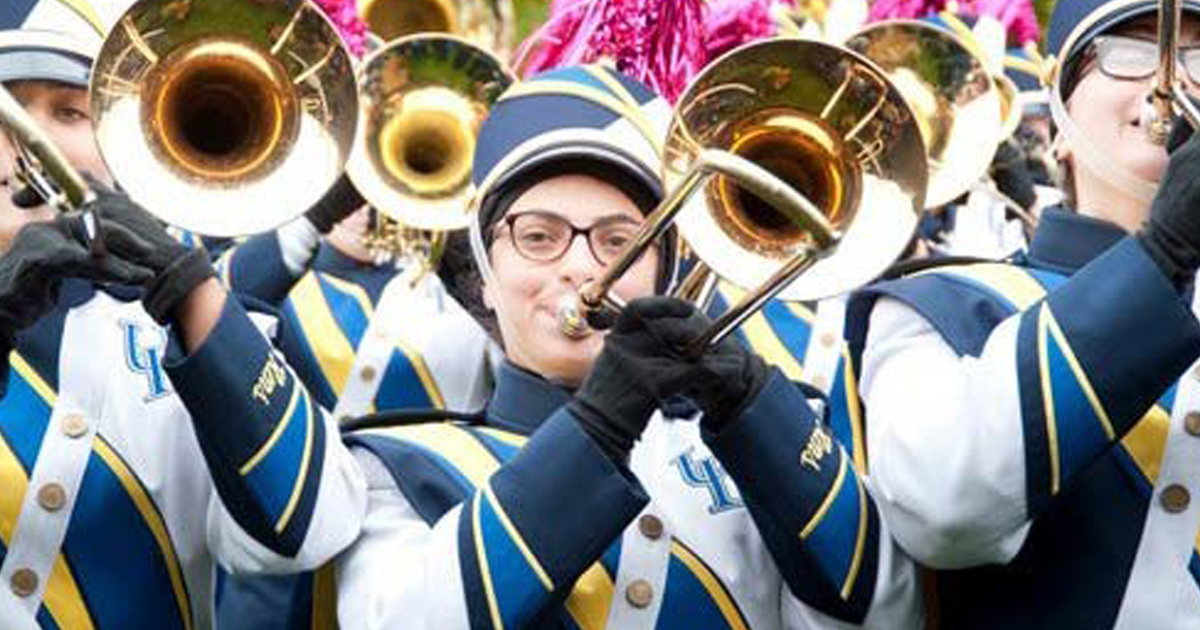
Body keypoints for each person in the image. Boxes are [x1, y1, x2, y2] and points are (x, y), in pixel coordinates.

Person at [334, 64, 923, 629]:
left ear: (663, 273)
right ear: (484, 276)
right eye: (539, 237)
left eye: (622, 240)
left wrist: (759, 415)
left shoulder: (766, 438)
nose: (583, 268)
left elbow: (887, 613)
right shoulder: (397, 468)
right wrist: (598, 426)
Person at [0, 2, 366, 627]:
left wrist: (193, 291)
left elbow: (312, 528)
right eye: (6, 111)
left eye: (69, 112)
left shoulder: (195, 325)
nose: (31, 144)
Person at [844, 0, 1200, 626]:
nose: (1176, 78)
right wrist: (1161, 255)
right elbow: (942, 506)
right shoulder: (944, 305)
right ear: (1057, 123)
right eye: (1131, 52)